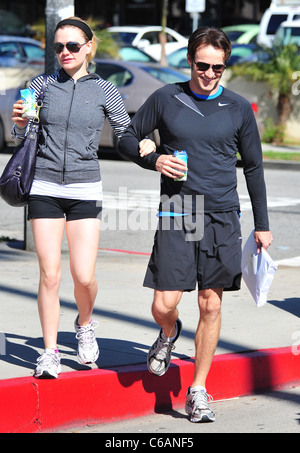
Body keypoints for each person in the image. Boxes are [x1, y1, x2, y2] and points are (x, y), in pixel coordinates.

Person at [118, 27, 273, 423]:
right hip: (180, 211)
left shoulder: (238, 108)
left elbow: (253, 167)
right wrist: (152, 159)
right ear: (189, 61)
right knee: (164, 303)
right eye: (202, 65)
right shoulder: (167, 98)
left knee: (210, 302)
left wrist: (262, 223)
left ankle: (198, 389)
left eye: (217, 68)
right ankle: (169, 334)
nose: (208, 74)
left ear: (225, 66)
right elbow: (126, 137)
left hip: (222, 214)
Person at [11, 17, 155, 379]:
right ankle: (48, 352)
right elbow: (22, 135)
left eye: (72, 46)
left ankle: (85, 324)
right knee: (50, 274)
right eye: (58, 47)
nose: (64, 53)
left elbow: (124, 131)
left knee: (84, 276)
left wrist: (145, 145)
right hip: (44, 185)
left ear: (89, 47)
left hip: (84, 187)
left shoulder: (105, 90)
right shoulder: (40, 85)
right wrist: (18, 124)